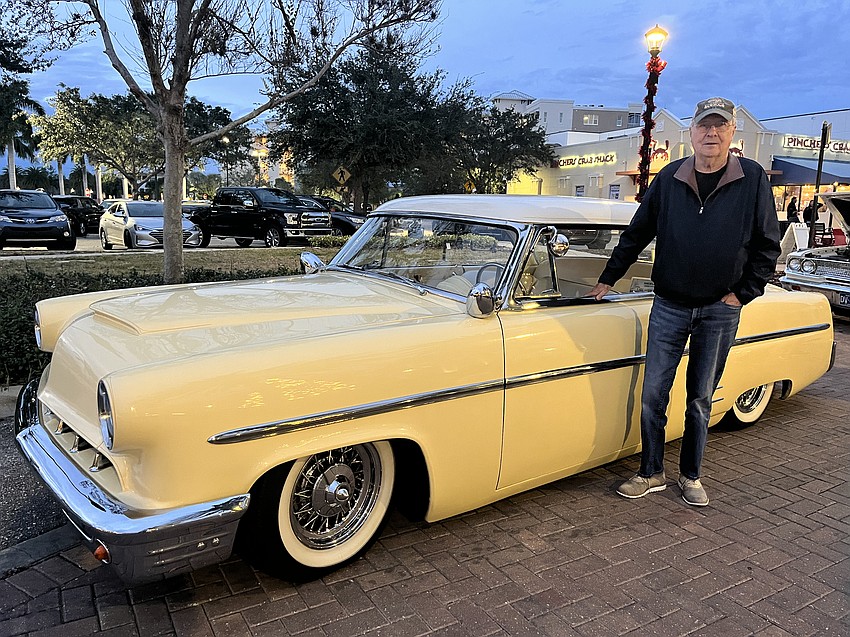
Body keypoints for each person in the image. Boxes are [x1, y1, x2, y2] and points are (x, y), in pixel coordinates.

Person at [587, 97, 780, 507]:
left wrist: (741, 294)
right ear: (691, 133)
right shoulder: (671, 176)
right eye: (704, 126)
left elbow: (768, 245)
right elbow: (637, 232)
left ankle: (691, 475)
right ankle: (651, 471)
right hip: (669, 304)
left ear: (732, 133)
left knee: (700, 397)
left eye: (720, 126)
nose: (711, 133)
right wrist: (607, 279)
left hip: (719, 309)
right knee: (653, 392)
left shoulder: (752, 178)